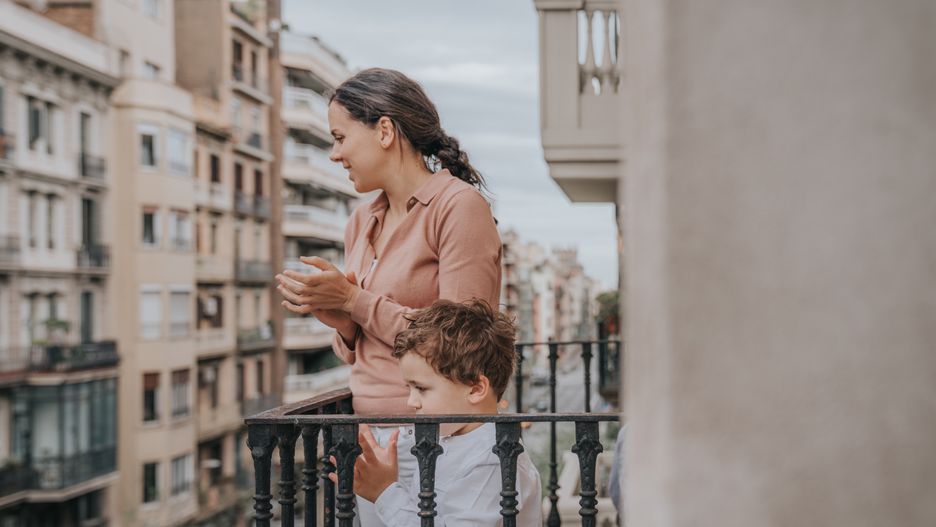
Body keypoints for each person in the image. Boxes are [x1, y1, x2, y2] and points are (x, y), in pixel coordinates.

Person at [274, 68, 502, 525]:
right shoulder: (361, 222)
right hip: (370, 437)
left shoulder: (458, 207)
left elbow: (463, 346)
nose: (335, 154)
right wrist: (342, 322)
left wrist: (353, 301)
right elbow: (359, 351)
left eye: (340, 137)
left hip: (438, 438)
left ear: (384, 131)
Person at [331, 299, 542, 526]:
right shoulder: (449, 440)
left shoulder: (492, 461)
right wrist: (388, 482)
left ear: (475, 389)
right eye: (409, 388)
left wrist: (385, 492)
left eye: (421, 388)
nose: (411, 402)